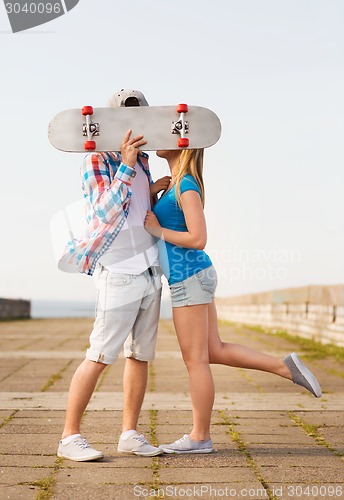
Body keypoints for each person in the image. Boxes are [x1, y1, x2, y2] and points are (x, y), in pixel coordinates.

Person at [144, 148, 322, 454]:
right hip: (193, 276)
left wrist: (157, 230)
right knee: (214, 350)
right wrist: (151, 192)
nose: (161, 138)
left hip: (189, 277)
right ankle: (284, 367)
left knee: (196, 361)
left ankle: (200, 437)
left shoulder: (185, 184)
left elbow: (198, 238)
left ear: (185, 143)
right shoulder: (173, 184)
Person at [57, 89, 171, 461]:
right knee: (100, 354)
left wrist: (150, 190)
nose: (133, 127)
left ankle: (130, 434)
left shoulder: (143, 161)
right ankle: (69, 437)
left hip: (149, 266)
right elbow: (104, 212)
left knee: (139, 356)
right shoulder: (96, 160)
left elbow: (134, 209)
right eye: (125, 119)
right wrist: (124, 165)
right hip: (118, 269)